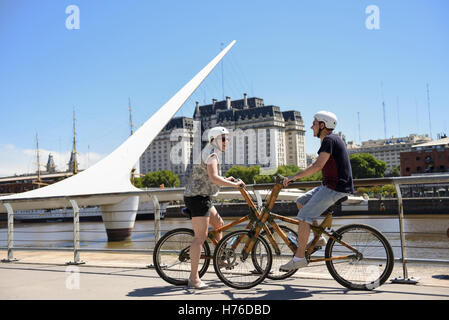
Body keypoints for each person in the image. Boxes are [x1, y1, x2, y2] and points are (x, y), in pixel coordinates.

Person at [280, 111, 354, 271]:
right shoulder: (330, 141)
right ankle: (318, 239)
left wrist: (293, 178)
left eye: (314, 123)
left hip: (335, 188)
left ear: (323, 125)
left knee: (303, 216)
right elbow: (317, 165)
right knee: (301, 202)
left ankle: (299, 258)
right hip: (329, 186)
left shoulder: (329, 140)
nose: (311, 126)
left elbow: (317, 166)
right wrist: (294, 176)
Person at [183, 126, 245, 289]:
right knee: (200, 238)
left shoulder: (211, 151)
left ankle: (219, 256)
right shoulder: (211, 153)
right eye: (224, 138)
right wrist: (234, 184)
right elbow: (213, 177)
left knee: (219, 223)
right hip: (197, 198)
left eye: (227, 139)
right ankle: (193, 279)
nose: (227, 142)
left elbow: (210, 176)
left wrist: (226, 178)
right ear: (215, 139)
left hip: (202, 196)